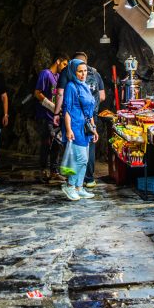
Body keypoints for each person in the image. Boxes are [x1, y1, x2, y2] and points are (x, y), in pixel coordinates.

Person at [60, 58, 98, 201]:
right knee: (80, 158)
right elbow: (67, 110)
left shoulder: (85, 86)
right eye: (80, 71)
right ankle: (70, 186)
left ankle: (79, 187)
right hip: (75, 126)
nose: (83, 74)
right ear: (73, 72)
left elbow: (90, 111)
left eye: (85, 71)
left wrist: (94, 129)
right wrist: (69, 129)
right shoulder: (71, 86)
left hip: (85, 128)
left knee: (85, 159)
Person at [34, 54, 67, 182]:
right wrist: (51, 106)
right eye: (64, 64)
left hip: (56, 117)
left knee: (57, 144)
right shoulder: (45, 74)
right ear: (58, 61)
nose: (64, 68)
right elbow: (37, 93)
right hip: (45, 116)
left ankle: (54, 171)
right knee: (46, 144)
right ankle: (43, 170)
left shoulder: (59, 77)